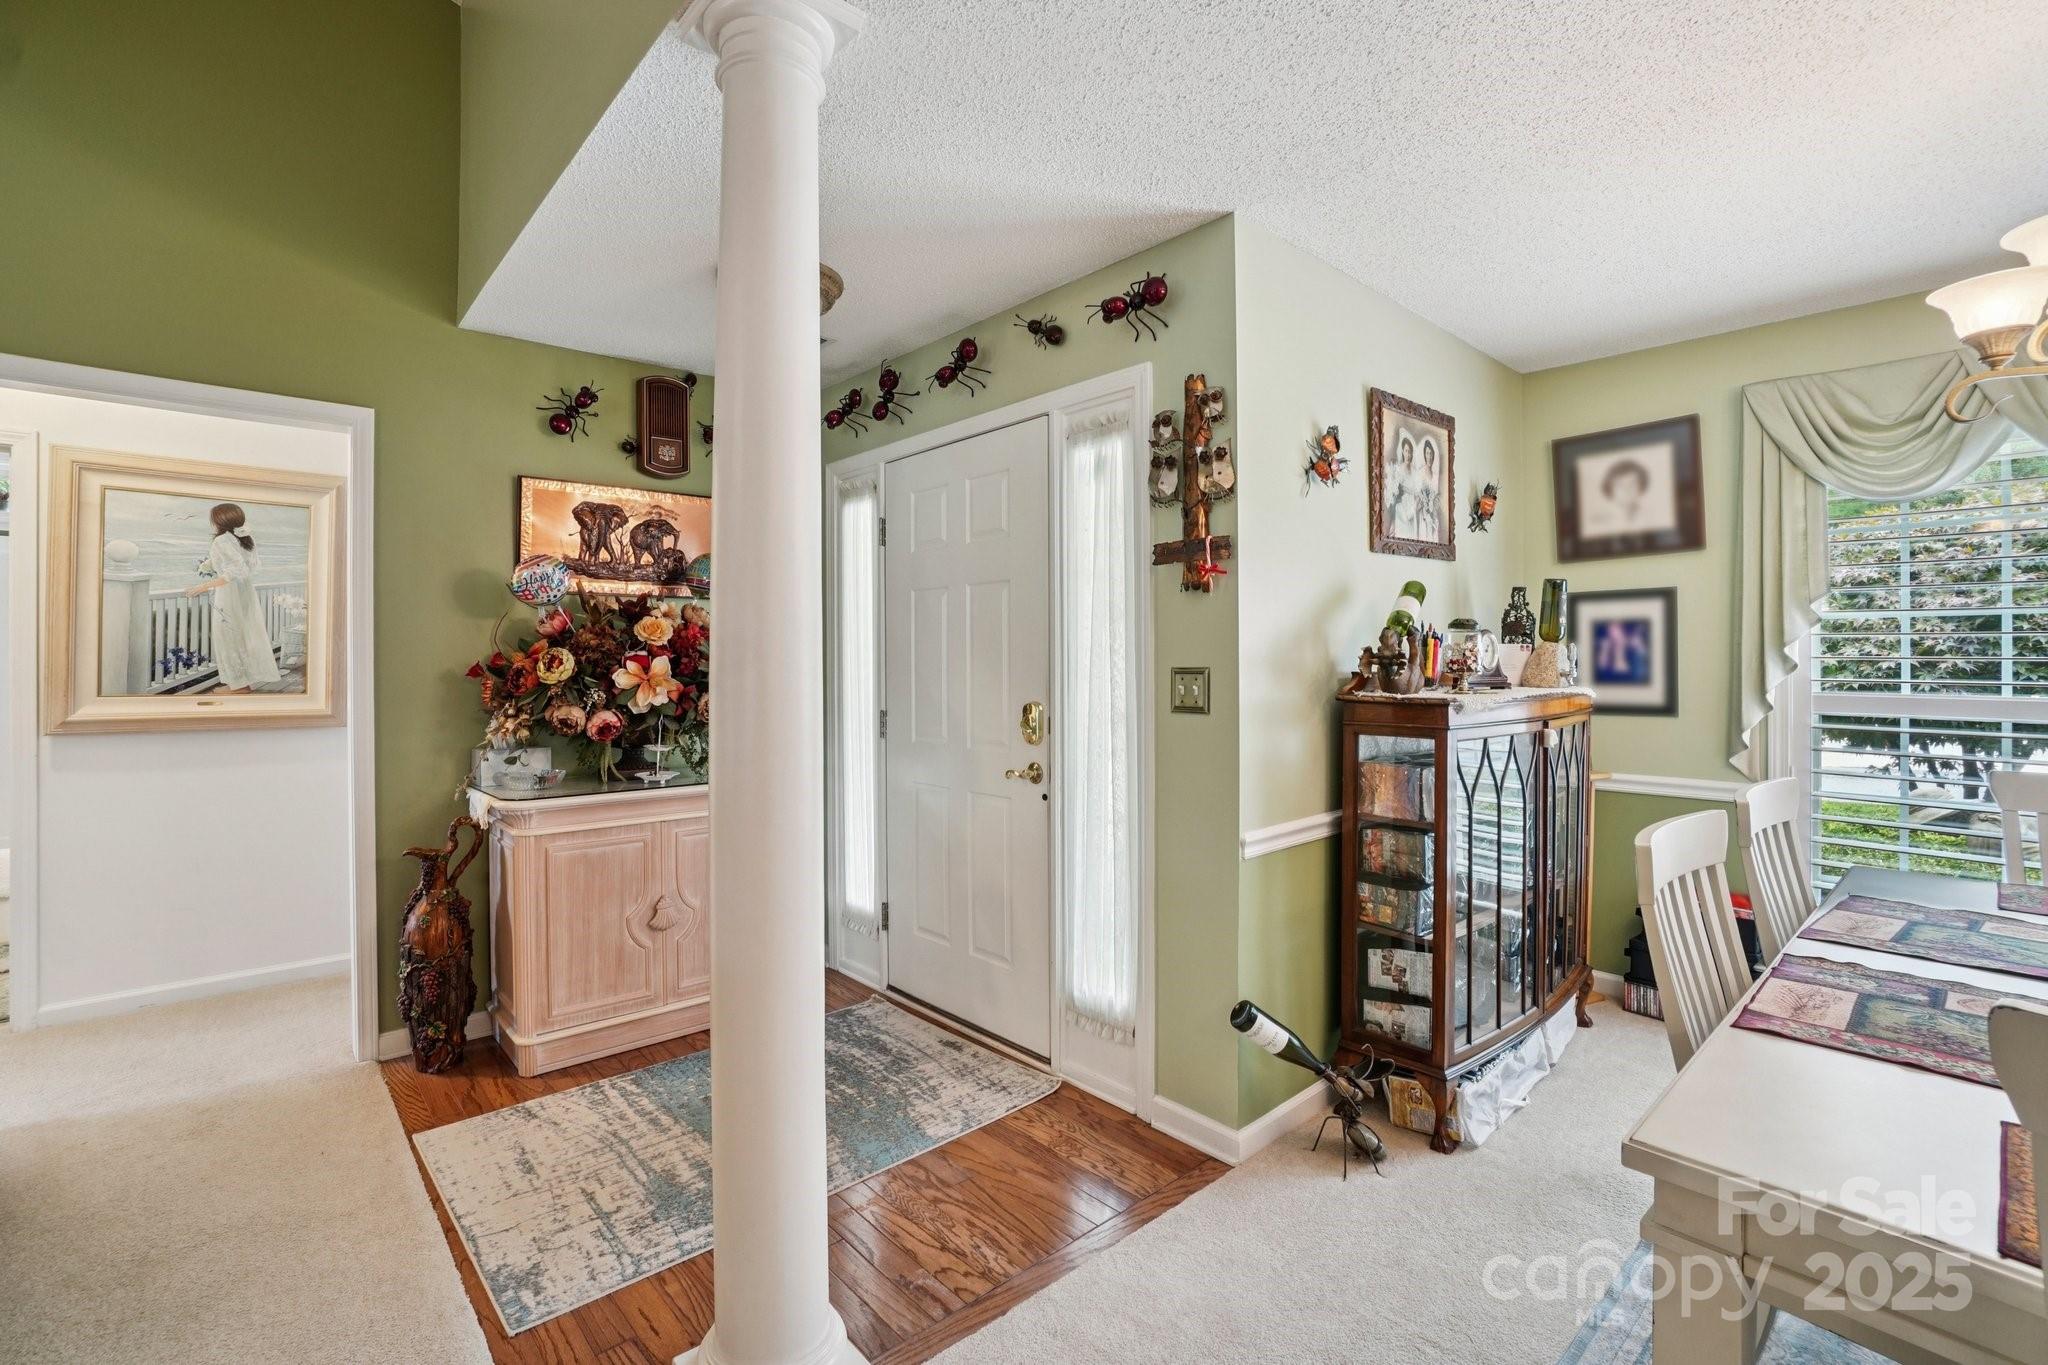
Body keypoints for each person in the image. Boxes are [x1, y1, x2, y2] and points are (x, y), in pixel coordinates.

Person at [184, 503, 280, 692]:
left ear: (220, 520)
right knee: (242, 635)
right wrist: (211, 564)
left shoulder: (221, 540)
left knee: (227, 636)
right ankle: (242, 683)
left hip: (229, 595)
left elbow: (233, 572)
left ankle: (238, 686)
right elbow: (249, 566)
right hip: (245, 592)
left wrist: (201, 587)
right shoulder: (245, 538)